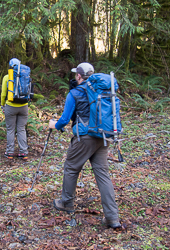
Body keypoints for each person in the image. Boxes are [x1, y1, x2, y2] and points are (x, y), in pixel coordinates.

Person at [48, 62, 121, 229]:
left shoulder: (74, 93)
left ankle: (66, 202)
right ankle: (112, 217)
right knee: (102, 174)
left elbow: (65, 120)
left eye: (76, 74)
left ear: (79, 76)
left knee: (71, 167)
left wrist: (54, 125)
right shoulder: (101, 91)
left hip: (85, 137)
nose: (75, 77)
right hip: (103, 135)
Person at [1, 58, 29, 160]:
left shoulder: (7, 77)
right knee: (21, 129)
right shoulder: (25, 76)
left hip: (10, 106)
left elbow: (4, 93)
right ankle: (23, 152)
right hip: (24, 106)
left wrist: (2, 104)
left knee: (10, 129)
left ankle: (9, 153)